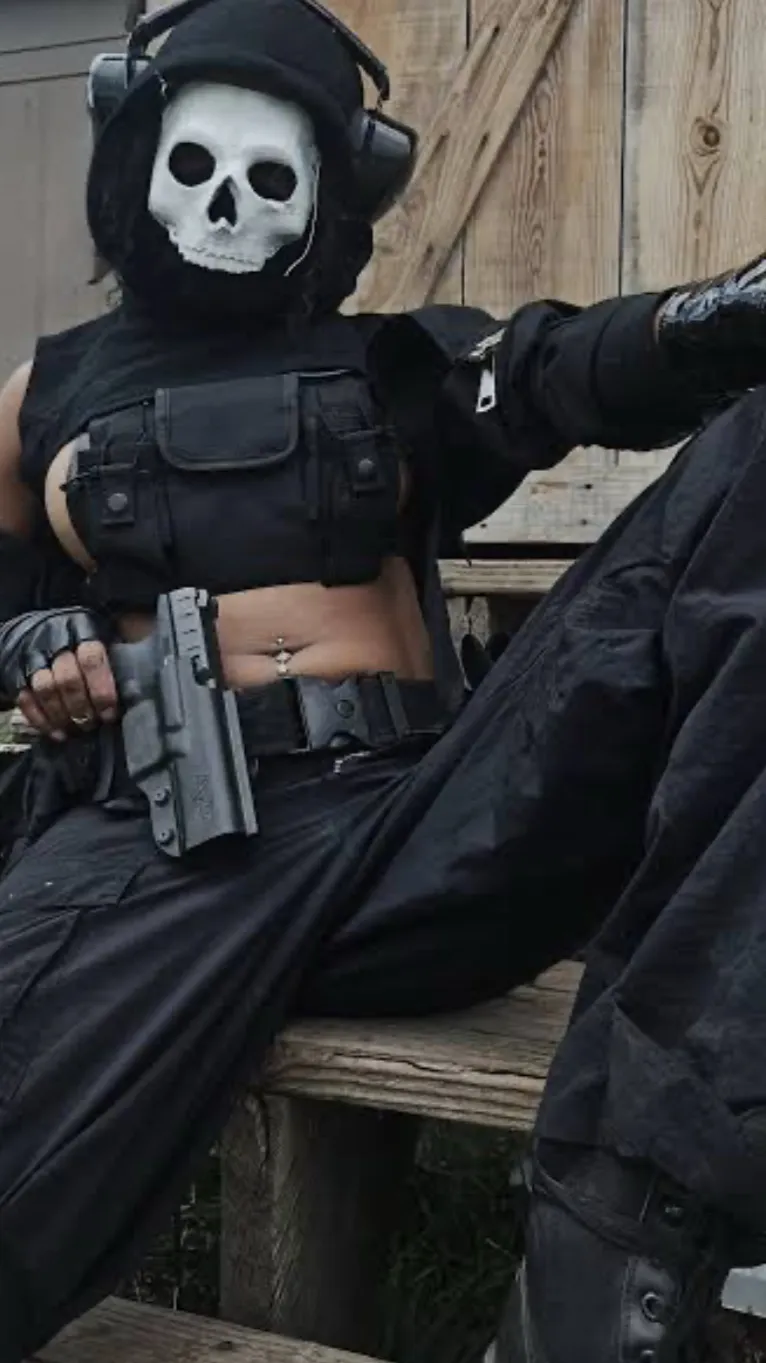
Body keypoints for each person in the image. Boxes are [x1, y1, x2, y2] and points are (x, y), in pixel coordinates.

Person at [1, 1, 766, 1358]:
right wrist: (33, 642)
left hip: (419, 833)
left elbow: (551, 370)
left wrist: (707, 323)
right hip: (159, 849)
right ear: (134, 157)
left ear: (333, 196)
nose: (227, 204)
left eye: (269, 174)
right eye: (197, 163)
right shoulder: (36, 396)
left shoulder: (397, 364)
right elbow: (6, 600)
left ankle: (605, 1269)